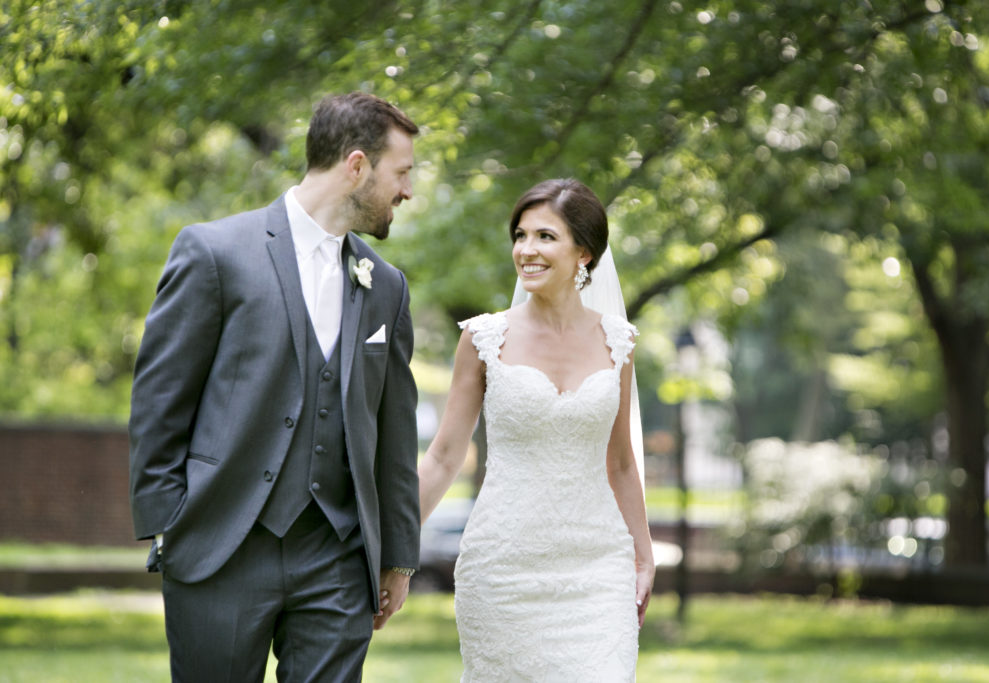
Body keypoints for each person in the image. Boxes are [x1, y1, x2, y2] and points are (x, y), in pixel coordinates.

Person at [128, 92, 421, 682]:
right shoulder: (215, 252)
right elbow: (160, 401)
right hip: (222, 545)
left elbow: (393, 427)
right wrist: (171, 523)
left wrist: (397, 556)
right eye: (402, 173)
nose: (407, 192)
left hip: (336, 555)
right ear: (357, 166)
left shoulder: (386, 285)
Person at [418, 178, 656, 681]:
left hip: (598, 570)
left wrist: (643, 555)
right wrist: (394, 546)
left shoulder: (620, 342)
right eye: (520, 235)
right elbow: (442, 457)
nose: (526, 250)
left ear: (584, 253)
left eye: (545, 237)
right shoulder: (482, 339)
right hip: (504, 569)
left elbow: (620, 462)